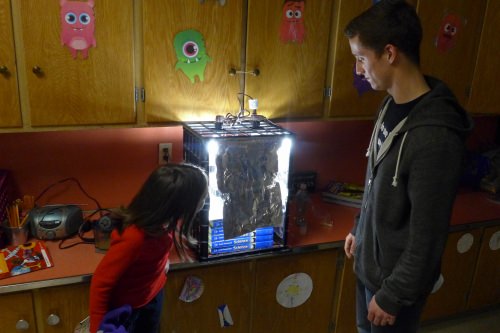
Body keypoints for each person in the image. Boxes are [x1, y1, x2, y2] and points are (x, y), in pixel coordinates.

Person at [342, 1, 473, 332]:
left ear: (389, 53)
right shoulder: (390, 106)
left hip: (394, 287)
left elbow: (428, 237)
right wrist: (360, 228)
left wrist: (393, 295)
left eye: (361, 58)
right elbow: (377, 184)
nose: (358, 70)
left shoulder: (435, 137)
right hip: (369, 267)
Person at [89, 163, 208, 333]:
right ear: (177, 207)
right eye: (201, 199)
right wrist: (97, 328)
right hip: (129, 309)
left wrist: (162, 263)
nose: (203, 203)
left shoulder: (164, 221)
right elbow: (100, 283)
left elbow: (158, 247)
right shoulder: (134, 239)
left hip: (153, 294)